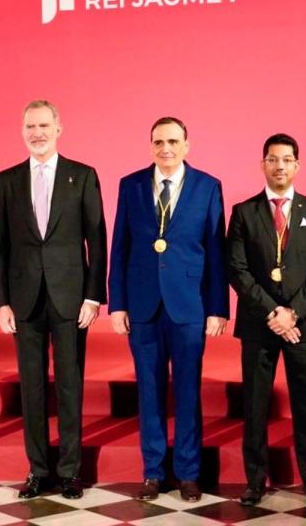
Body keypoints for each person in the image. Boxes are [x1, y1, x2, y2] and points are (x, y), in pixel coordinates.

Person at [0, 100, 107, 500]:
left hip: (71, 299)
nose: (37, 132)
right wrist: (1, 302)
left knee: (70, 386)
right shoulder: (6, 180)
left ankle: (71, 471)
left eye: (44, 125)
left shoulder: (83, 176)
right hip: (24, 301)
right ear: (22, 130)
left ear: (59, 128)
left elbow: (97, 240)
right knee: (32, 389)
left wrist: (94, 296)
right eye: (30, 126)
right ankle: (39, 470)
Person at [109, 116, 228, 502]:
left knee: (189, 391)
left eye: (173, 141)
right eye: (159, 141)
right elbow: (120, 247)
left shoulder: (208, 187)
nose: (166, 149)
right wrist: (118, 303)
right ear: (150, 146)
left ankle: (189, 473)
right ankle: (152, 472)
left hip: (189, 305)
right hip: (143, 306)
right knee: (149, 391)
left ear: (187, 145)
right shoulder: (131, 186)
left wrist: (218, 308)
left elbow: (216, 252)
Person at [226, 134, 306, 507]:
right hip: (259, 324)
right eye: (273, 160)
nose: (280, 166)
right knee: (255, 407)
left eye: (287, 160)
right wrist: (272, 312)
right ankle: (255, 480)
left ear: (297, 165)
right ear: (263, 165)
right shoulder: (244, 212)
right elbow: (237, 269)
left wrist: (293, 312)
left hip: (303, 326)